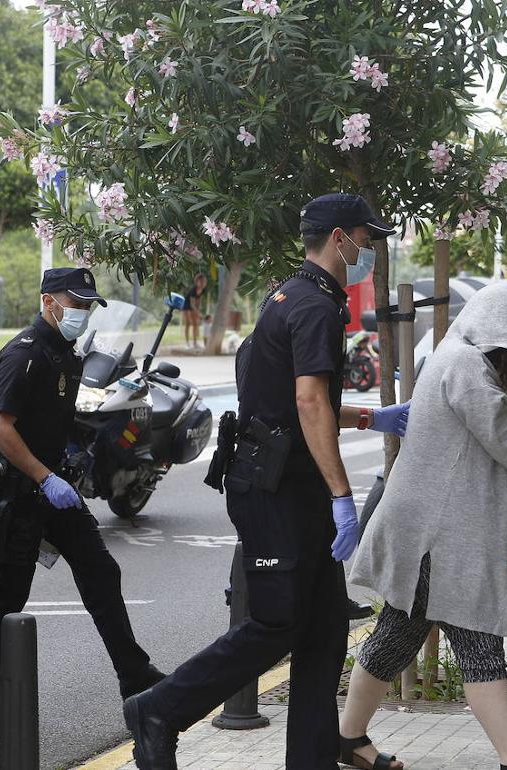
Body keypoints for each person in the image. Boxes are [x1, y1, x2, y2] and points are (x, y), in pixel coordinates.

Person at [123, 194, 409, 770]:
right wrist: (342, 496)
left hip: (287, 483)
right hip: (274, 489)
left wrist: (371, 417)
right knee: (277, 623)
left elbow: (300, 399)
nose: (370, 250)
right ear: (339, 239)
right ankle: (160, 709)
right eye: (366, 238)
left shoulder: (294, 296)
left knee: (324, 635)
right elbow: (306, 401)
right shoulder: (314, 309)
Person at [341, 282, 507, 770]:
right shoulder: (465, 363)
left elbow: (494, 420)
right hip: (439, 537)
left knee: (393, 639)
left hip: (428, 531)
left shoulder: (452, 355)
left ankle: (346, 739)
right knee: (478, 637)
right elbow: (496, 430)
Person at [0, 267, 164, 736]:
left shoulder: (65, 356)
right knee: (4, 602)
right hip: (23, 495)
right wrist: (45, 476)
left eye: (88, 305)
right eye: (75, 304)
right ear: (48, 301)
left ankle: (134, 675)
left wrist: (112, 405)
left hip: (57, 493)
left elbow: (58, 419)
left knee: (101, 573)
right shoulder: (24, 355)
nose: (82, 312)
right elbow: (0, 429)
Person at [182, 272, 209, 349]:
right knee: (188, 324)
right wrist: (198, 313)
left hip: (193, 307)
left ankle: (195, 343)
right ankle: (187, 343)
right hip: (186, 306)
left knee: (195, 325)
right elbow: (192, 304)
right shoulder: (193, 290)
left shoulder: (202, 290)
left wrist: (198, 310)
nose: (202, 283)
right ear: (197, 281)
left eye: (204, 281)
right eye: (201, 281)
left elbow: (198, 301)